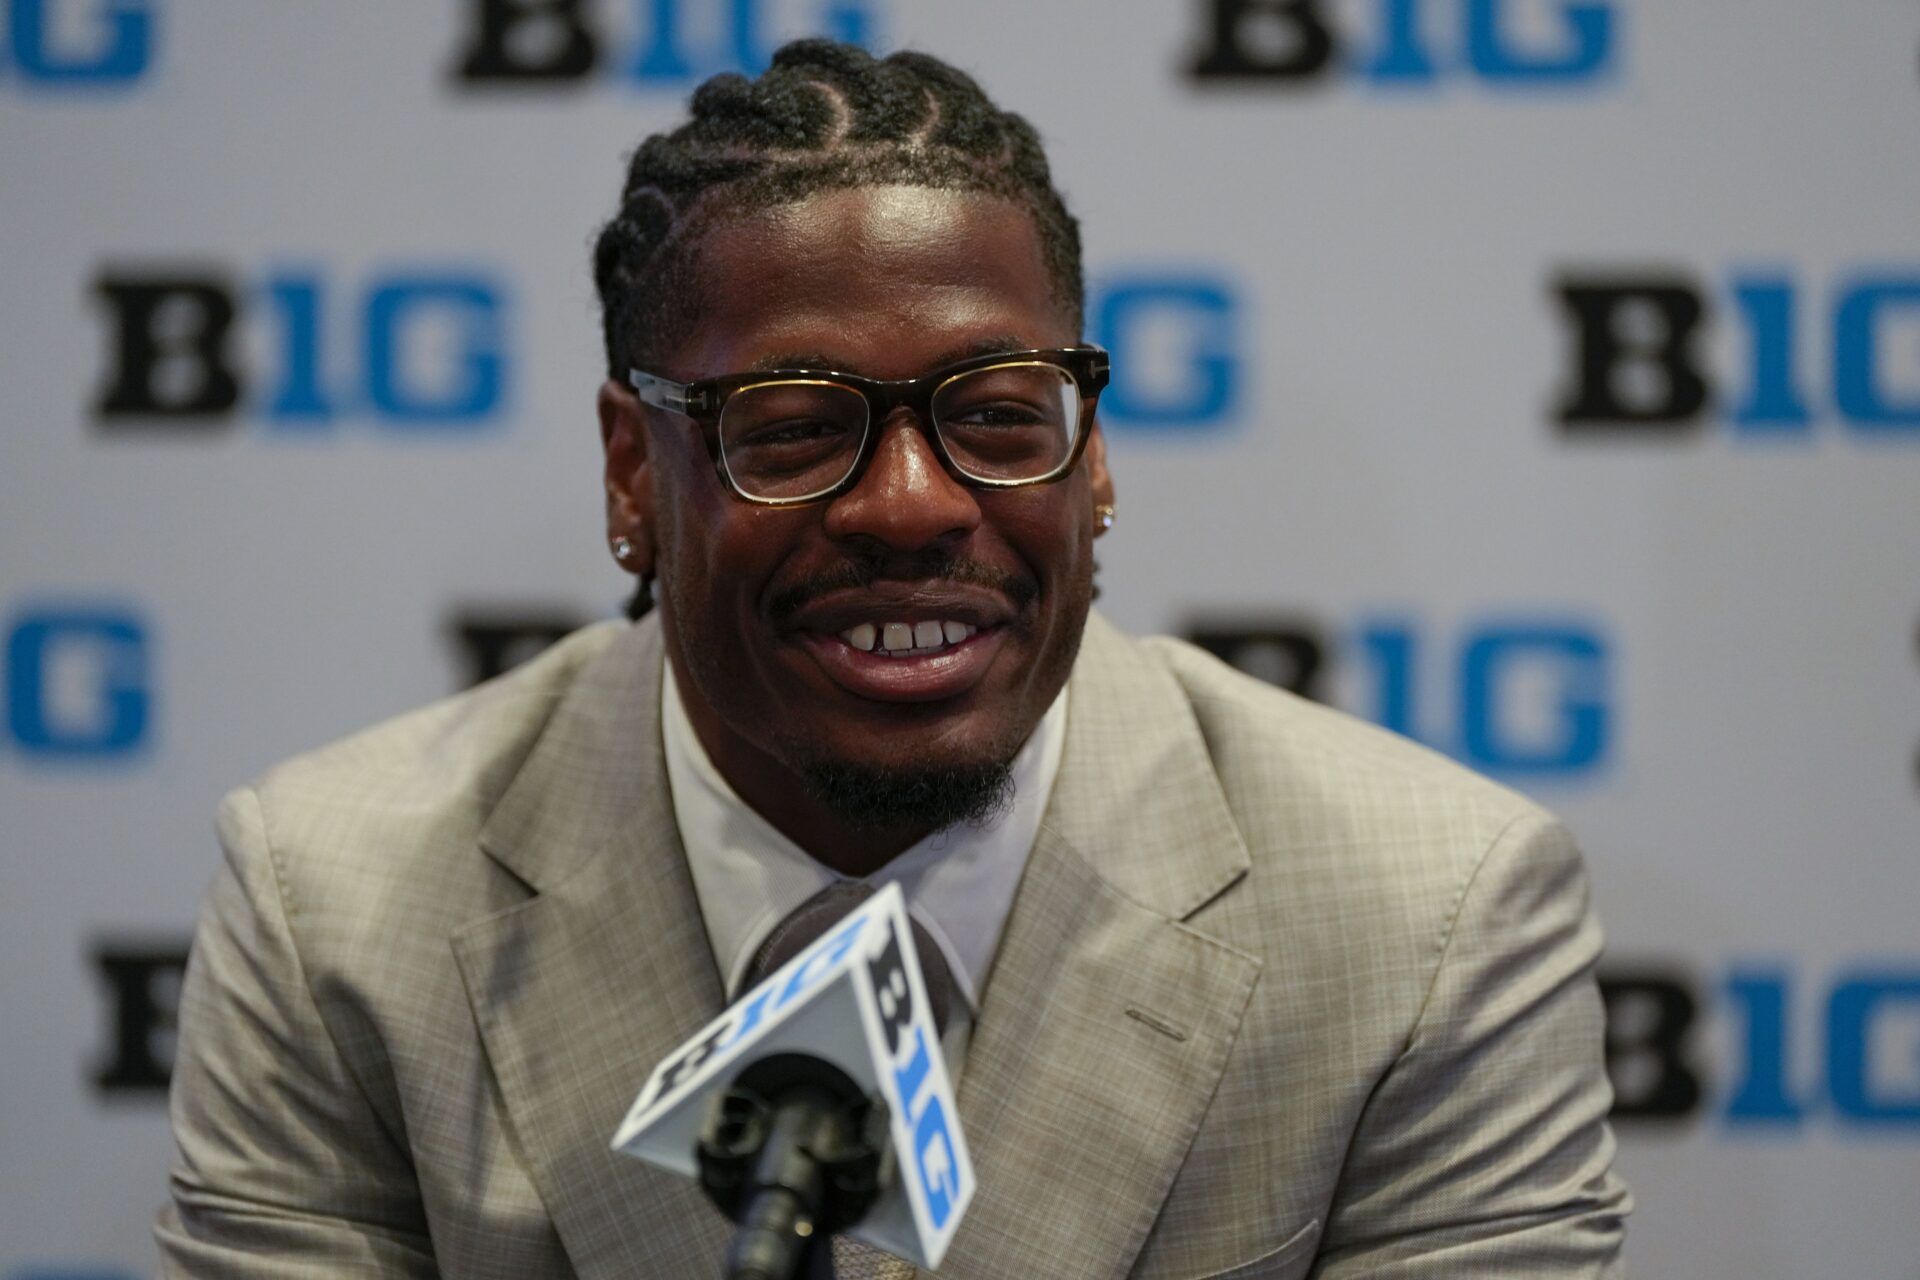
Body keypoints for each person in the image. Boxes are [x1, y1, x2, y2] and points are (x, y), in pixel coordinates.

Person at [157, 39, 1629, 1279]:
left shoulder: (1428, 922)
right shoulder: (341, 907)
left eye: (997, 413)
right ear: (633, 473)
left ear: (1093, 456)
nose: (913, 505)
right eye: (796, 427)